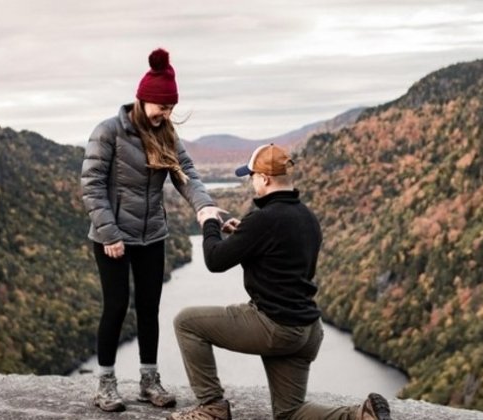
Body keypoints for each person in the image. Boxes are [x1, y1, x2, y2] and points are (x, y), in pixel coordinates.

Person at [167, 144, 393, 420]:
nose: (252, 183)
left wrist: (209, 222)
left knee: (187, 322)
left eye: (252, 177)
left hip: (276, 326)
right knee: (290, 413)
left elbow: (215, 261)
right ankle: (360, 415)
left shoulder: (263, 219)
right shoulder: (307, 217)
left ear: (264, 178)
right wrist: (244, 236)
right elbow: (282, 257)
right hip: (307, 329)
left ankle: (212, 407)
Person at [81, 47, 218, 413]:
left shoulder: (167, 135)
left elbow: (187, 175)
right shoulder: (108, 132)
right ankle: (106, 385)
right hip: (112, 237)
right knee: (115, 307)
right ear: (143, 100)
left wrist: (204, 206)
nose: (166, 115)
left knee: (149, 307)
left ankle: (148, 381)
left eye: (171, 109)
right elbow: (92, 186)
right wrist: (109, 234)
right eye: (162, 107)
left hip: (152, 235)